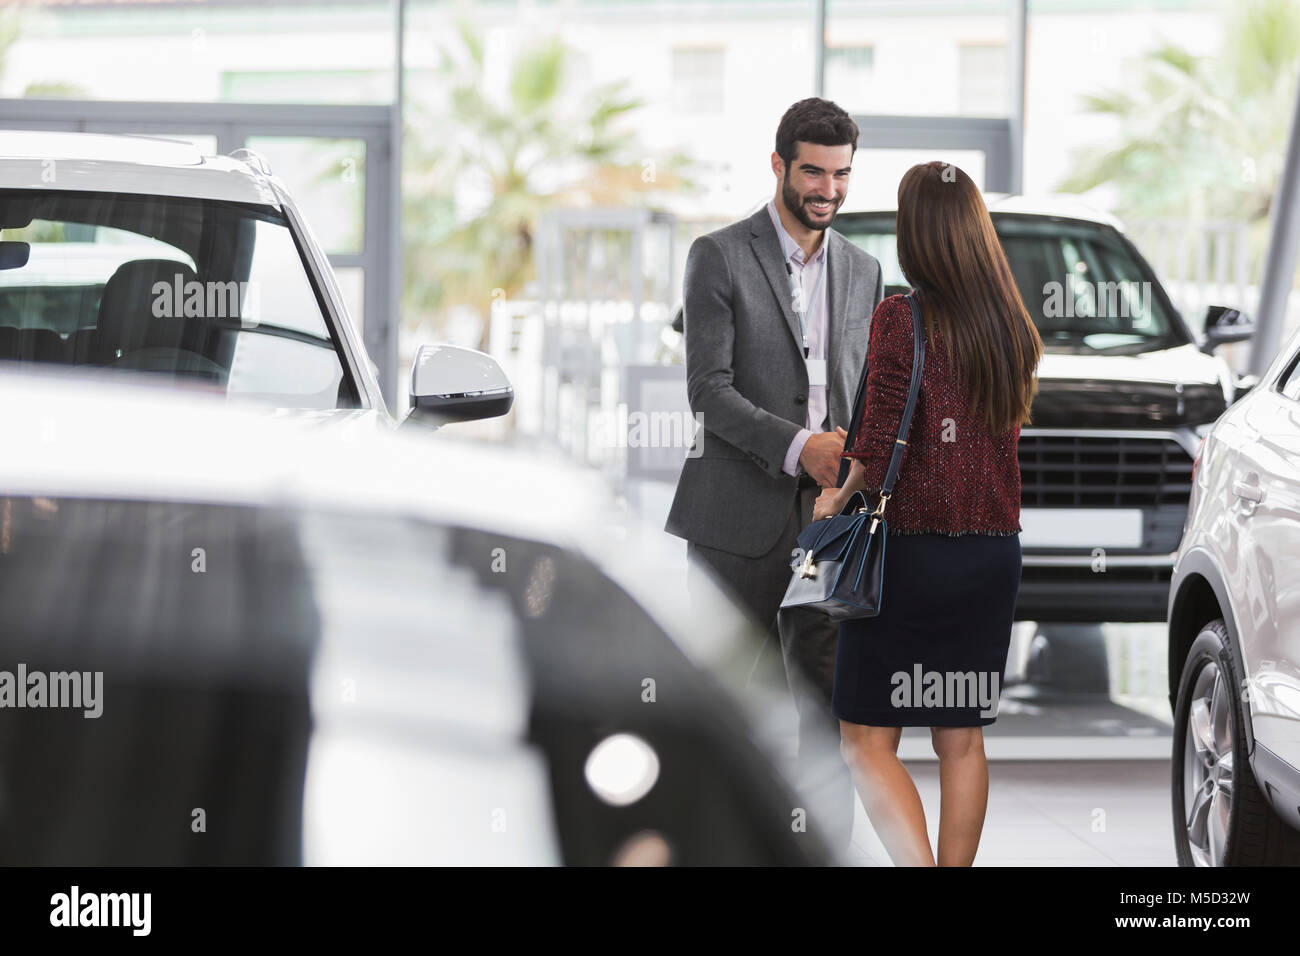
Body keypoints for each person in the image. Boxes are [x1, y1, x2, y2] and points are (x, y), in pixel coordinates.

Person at [666, 97, 882, 854]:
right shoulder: (719, 256)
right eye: (813, 172)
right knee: (727, 714)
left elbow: (861, 392)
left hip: (830, 524)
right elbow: (708, 391)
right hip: (734, 525)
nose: (828, 189)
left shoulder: (864, 269)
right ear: (779, 165)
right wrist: (801, 447)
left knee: (826, 720)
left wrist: (850, 473)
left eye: (842, 174)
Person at [813, 161, 1043, 866]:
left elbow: (878, 440)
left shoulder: (900, 316)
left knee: (864, 740)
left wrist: (836, 496)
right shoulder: (1011, 324)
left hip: (908, 558)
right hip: (991, 556)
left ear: (916, 237)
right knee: (962, 737)